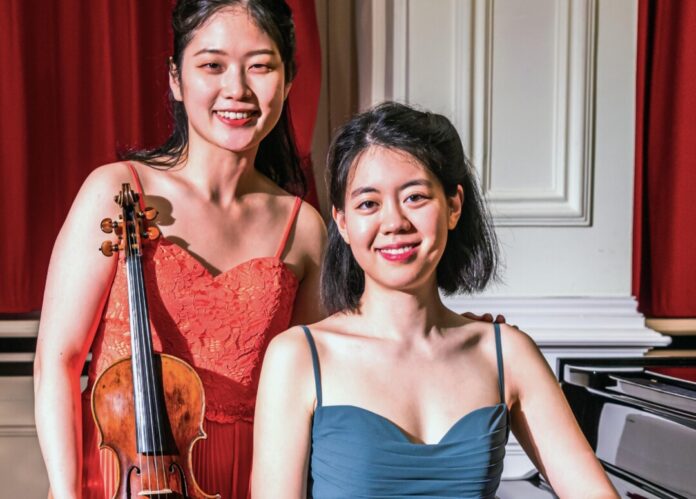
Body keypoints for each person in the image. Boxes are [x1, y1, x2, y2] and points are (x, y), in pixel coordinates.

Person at [32, 1, 327, 498]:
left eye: (260, 66)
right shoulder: (117, 190)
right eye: (212, 65)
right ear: (175, 78)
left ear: (289, 79)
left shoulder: (304, 229)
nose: (237, 89)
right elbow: (57, 364)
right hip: (121, 476)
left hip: (247, 482)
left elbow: (311, 390)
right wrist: (65, 494)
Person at [252, 102, 619, 498]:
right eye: (368, 204)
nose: (394, 223)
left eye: (415, 197)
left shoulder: (506, 353)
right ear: (342, 223)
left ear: (454, 207)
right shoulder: (298, 357)